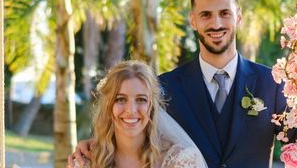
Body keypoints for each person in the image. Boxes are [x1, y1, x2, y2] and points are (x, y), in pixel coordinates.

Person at [71, 0, 297, 168]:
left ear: (239, 17)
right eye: (206, 15)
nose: (216, 23)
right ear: (193, 20)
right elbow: (132, 135)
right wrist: (91, 146)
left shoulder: (273, 82)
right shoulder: (164, 86)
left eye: (225, 13)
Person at [72, 60, 207, 168]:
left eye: (141, 99)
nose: (131, 110)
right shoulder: (86, 162)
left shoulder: (182, 161)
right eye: (120, 99)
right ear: (108, 106)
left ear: (152, 107)